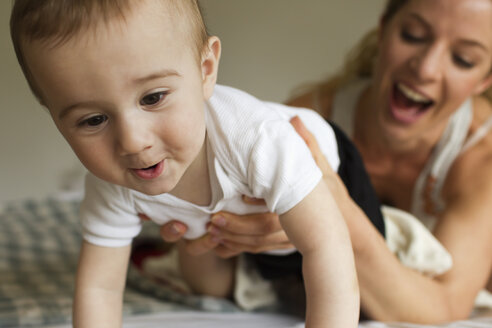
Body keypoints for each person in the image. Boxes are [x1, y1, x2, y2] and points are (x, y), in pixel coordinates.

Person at [9, 0, 372, 327]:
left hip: (332, 178)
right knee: (209, 282)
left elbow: (327, 244)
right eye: (93, 120)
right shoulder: (111, 184)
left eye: (152, 98)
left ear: (206, 69)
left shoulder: (256, 141)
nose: (133, 141)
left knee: (357, 283)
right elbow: (100, 289)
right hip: (238, 231)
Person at [157, 0, 492, 324]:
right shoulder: (305, 124)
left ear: (484, 80)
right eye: (413, 35)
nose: (426, 68)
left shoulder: (482, 162)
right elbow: (217, 282)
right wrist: (198, 219)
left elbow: (444, 308)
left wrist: (326, 216)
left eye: (463, 59)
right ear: (384, 28)